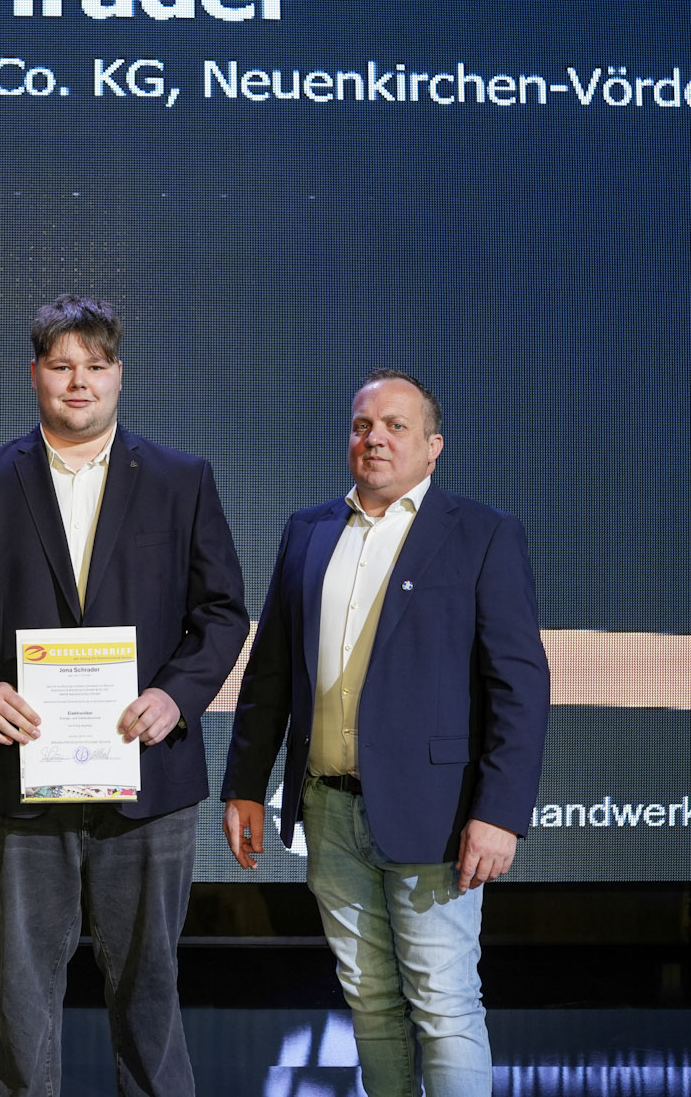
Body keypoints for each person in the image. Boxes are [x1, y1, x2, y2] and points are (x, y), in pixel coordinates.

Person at [0, 294, 249, 1097]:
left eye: (95, 366)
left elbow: (221, 613)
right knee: (20, 994)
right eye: (61, 365)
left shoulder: (180, 480)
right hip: (17, 777)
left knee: (151, 989)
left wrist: (176, 696)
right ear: (34, 373)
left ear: (118, 375)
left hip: (148, 776)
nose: (78, 382)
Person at [222, 368, 549, 1097]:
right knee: (369, 1003)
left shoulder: (483, 533)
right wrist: (245, 784)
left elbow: (520, 687)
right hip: (328, 810)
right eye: (362, 424)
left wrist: (500, 813)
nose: (375, 438)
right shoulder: (308, 531)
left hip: (437, 814)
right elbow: (271, 671)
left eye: (396, 425)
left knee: (443, 1002)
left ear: (434, 445)